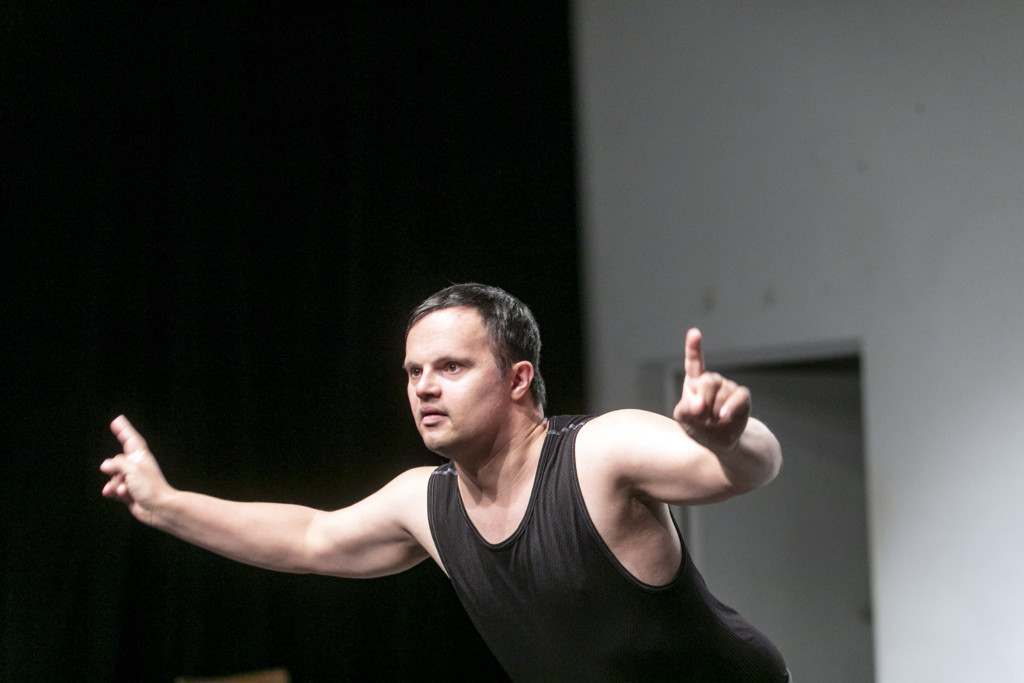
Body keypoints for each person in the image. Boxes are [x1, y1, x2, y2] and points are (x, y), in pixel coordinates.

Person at [101, 283, 790, 681]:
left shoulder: (597, 453)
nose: (425, 386)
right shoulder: (424, 502)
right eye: (412, 372)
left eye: (451, 367)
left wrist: (733, 434)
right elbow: (311, 536)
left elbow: (744, 470)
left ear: (519, 378)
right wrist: (165, 506)